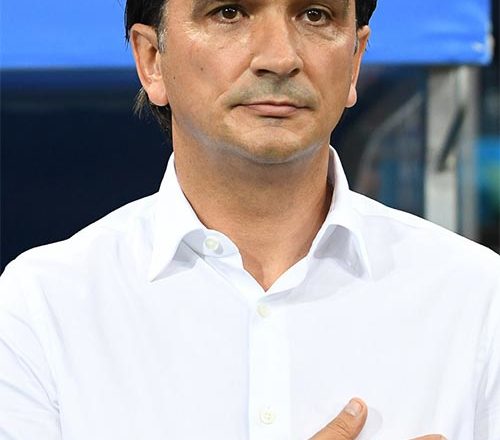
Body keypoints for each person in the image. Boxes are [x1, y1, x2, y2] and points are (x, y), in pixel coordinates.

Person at [0, 0, 498, 438]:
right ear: (151, 60)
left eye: (315, 15)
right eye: (229, 12)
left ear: (354, 60)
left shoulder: (478, 298)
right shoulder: (42, 307)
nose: (279, 58)